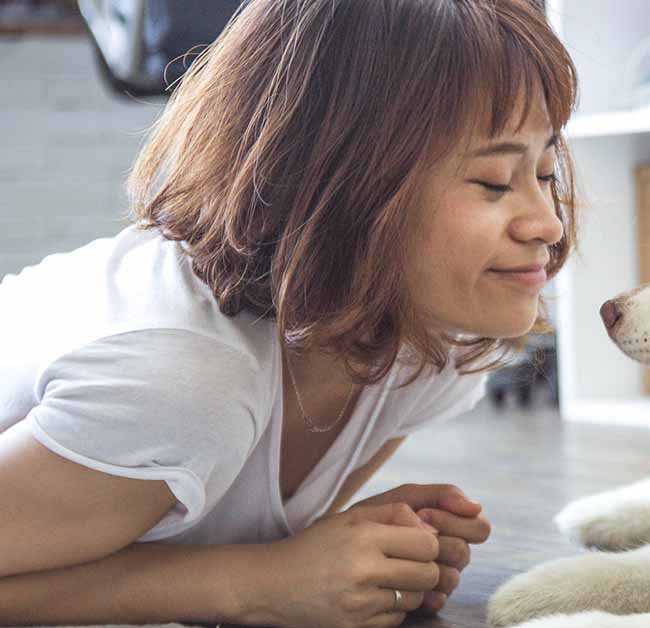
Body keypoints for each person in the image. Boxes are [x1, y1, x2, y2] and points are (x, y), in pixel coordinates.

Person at [0, 1, 577, 627]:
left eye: (545, 171)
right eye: (493, 181)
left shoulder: (429, 344)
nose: (547, 222)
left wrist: (352, 554)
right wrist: (259, 583)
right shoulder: (182, 381)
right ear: (340, 184)